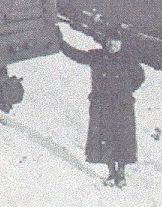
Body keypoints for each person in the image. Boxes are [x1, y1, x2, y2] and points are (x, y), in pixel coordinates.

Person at [58, 25, 145, 187]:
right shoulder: (97, 57)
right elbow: (76, 55)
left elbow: (140, 77)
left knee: (123, 139)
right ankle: (111, 172)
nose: (113, 46)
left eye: (117, 43)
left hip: (122, 106)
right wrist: (61, 42)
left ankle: (121, 172)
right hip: (102, 105)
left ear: (121, 44)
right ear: (105, 43)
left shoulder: (128, 59)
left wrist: (126, 90)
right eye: (111, 42)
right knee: (106, 138)